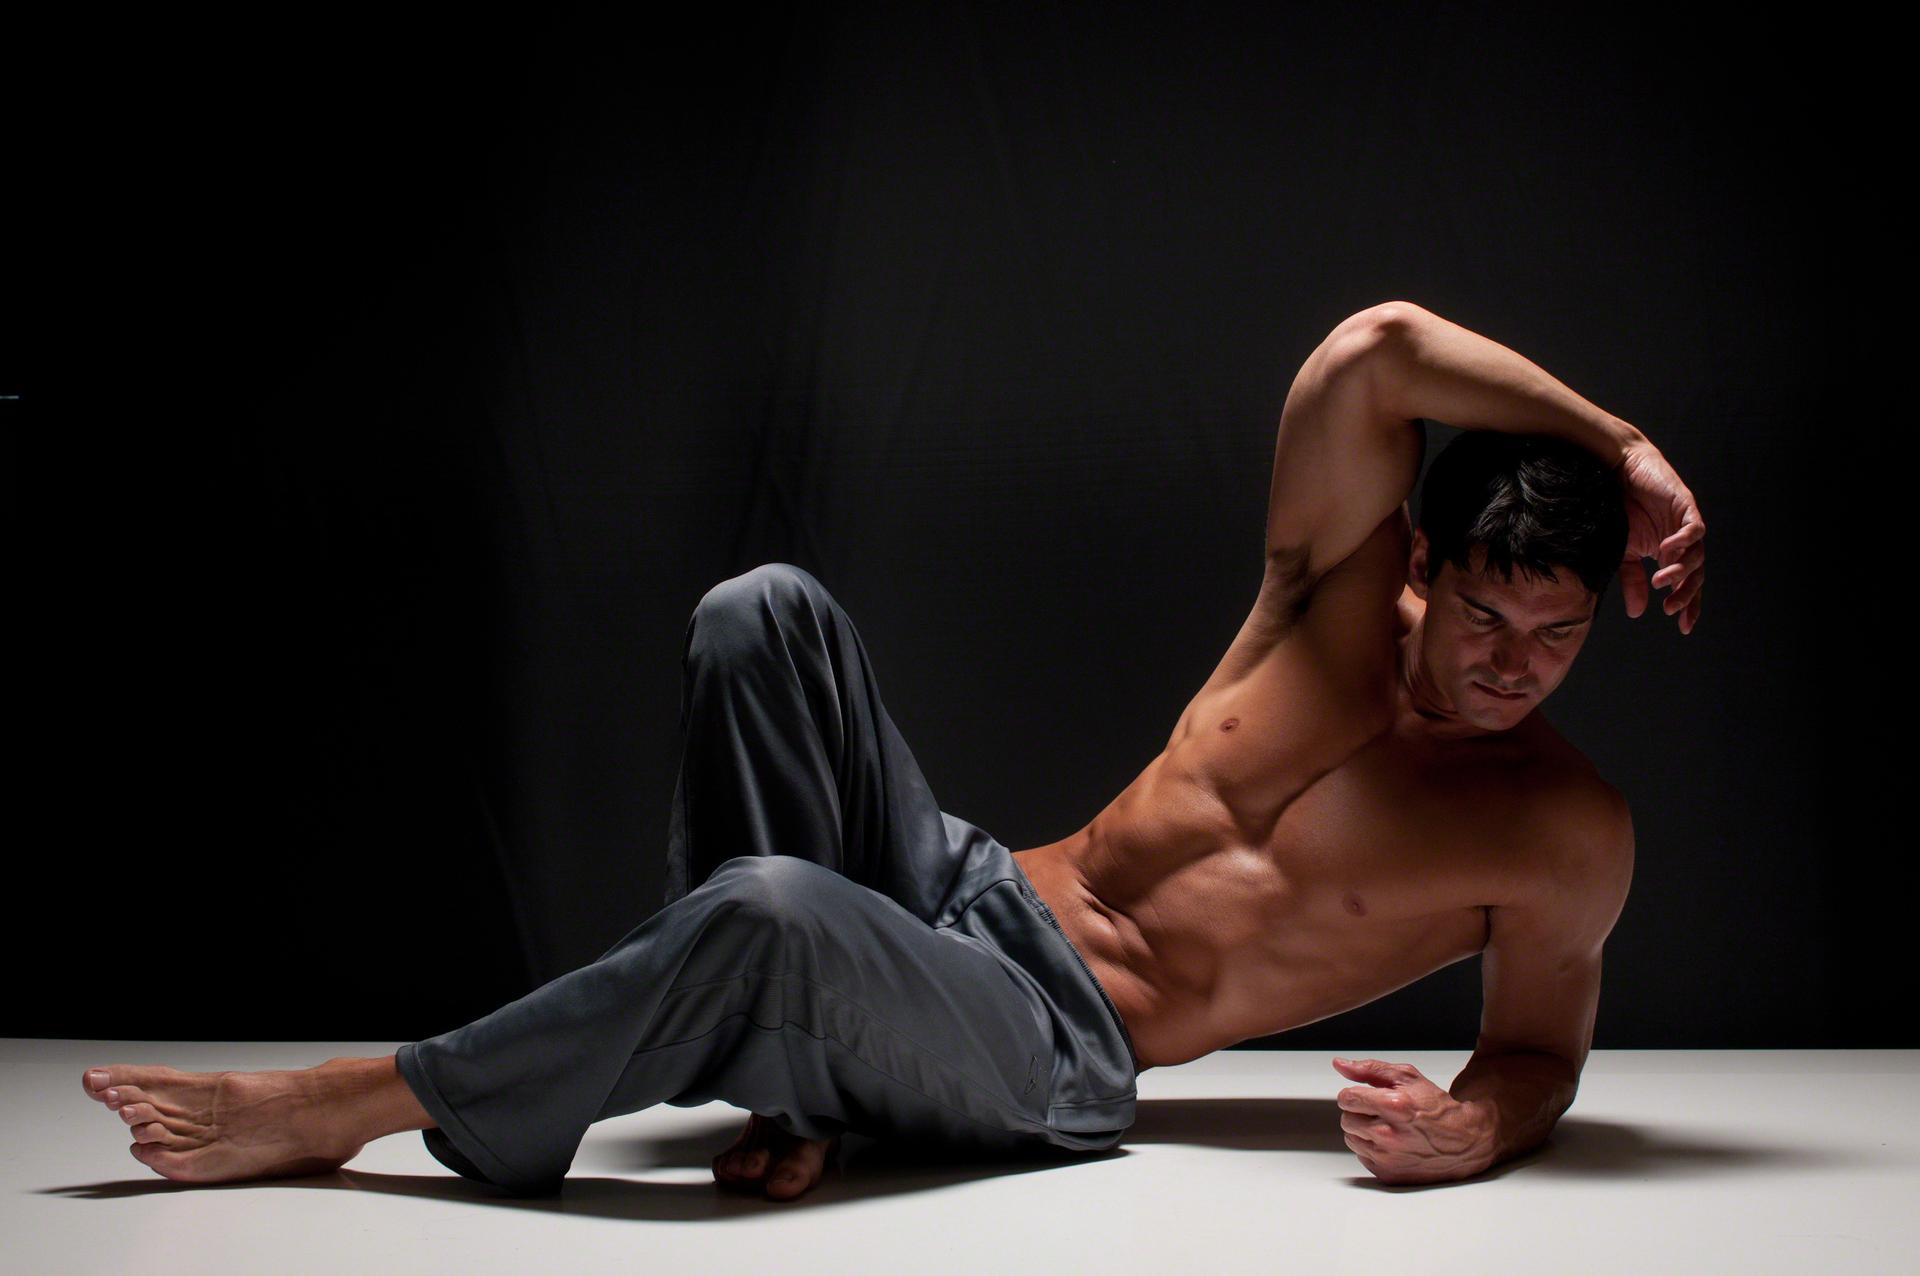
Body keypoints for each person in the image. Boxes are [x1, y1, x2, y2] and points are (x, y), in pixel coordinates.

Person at [79, 300, 1705, 1195]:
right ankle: (804, 1089)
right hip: (960, 887)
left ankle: (357, 1104)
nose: (1515, 667)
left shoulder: (1561, 829)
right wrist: (1620, 444)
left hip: (1053, 1046)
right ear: (1418, 566)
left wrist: (1476, 1129)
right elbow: (1377, 349)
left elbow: (1541, 1052)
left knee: (775, 908)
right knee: (763, 611)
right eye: (1486, 616)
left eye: (1559, 636)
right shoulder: (1325, 614)